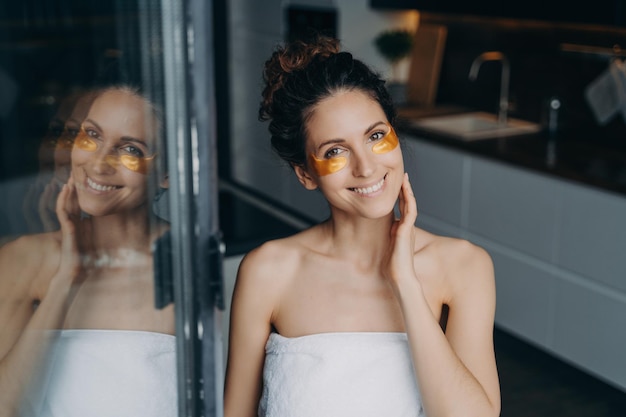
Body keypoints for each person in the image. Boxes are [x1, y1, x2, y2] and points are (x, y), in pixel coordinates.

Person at [224, 36, 501, 417]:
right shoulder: (268, 271)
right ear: (305, 173)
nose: (366, 167)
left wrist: (405, 281)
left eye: (375, 136)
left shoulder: (464, 267)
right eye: (335, 151)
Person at [0, 85, 175, 417]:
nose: (98, 164)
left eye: (131, 150)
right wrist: (67, 278)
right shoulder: (22, 259)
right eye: (92, 135)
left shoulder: (184, 264)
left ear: (167, 173)